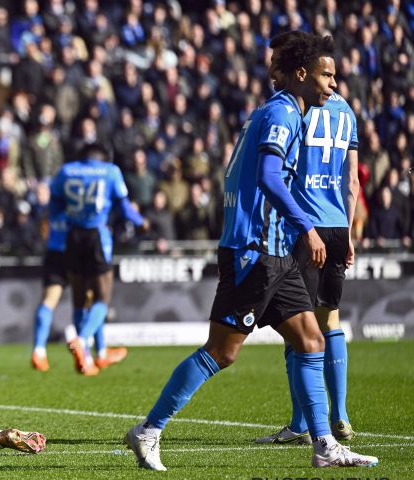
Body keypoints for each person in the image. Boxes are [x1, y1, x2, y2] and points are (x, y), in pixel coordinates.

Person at [123, 32, 378, 470]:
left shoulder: (281, 112)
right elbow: (268, 176)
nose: (333, 85)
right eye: (326, 75)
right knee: (222, 352)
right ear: (302, 74)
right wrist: (307, 228)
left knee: (311, 338)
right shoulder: (282, 112)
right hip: (255, 251)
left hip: (274, 250)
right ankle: (148, 431)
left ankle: (324, 445)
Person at [255, 31, 361, 446]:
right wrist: (348, 231)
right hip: (337, 224)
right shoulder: (347, 112)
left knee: (296, 323)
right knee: (330, 319)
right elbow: (352, 179)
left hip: (306, 227)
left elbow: (279, 172)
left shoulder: (297, 107)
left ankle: (301, 423)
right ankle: (342, 415)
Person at [48, 143, 144, 376]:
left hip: (73, 235)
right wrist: (143, 222)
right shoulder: (110, 171)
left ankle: (95, 355)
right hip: (97, 236)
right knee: (102, 297)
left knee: (80, 299)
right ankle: (82, 340)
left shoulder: (67, 171)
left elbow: (54, 205)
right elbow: (124, 207)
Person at [30, 207, 127, 372]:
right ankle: (93, 354)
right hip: (76, 248)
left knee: (48, 301)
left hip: (55, 252)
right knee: (90, 300)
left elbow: (43, 224)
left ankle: (39, 351)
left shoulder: (56, 195)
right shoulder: (78, 195)